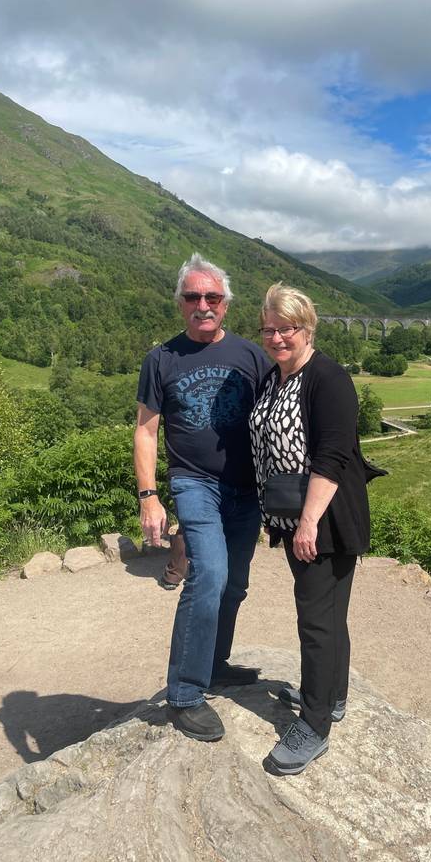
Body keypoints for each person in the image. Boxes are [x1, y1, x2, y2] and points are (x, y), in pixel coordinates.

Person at [134, 253, 269, 742]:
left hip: (246, 488)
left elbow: (276, 416)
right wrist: (149, 495)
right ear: (180, 303)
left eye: (212, 297)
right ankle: (186, 693)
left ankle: (214, 665)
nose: (203, 305)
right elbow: (146, 431)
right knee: (207, 575)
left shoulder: (252, 356)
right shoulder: (162, 360)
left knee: (234, 584)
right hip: (194, 483)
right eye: (193, 297)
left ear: (226, 304)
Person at [249, 283, 374, 776]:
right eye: (269, 329)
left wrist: (307, 522)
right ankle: (331, 696)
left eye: (287, 329)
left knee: (316, 622)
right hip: (298, 517)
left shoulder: (328, 378)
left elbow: (333, 455)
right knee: (328, 615)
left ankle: (315, 725)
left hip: (325, 519)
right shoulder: (277, 377)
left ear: (307, 328)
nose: (277, 337)